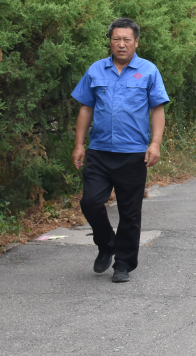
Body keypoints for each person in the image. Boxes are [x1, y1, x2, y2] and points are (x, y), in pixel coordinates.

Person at [71, 17, 169, 283]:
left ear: (136, 42)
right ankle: (106, 244)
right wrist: (79, 145)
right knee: (90, 202)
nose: (121, 44)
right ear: (110, 42)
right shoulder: (96, 70)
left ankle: (123, 264)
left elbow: (157, 109)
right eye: (116, 39)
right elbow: (86, 108)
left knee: (129, 212)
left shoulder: (148, 71)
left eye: (127, 39)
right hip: (99, 151)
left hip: (133, 153)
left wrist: (155, 144)